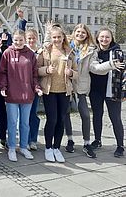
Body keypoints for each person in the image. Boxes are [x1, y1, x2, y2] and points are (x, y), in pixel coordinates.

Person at [64, 24, 108, 159]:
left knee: (85, 115)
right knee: (66, 114)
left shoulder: (90, 50)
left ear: (87, 35)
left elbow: (94, 67)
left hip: (81, 85)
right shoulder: (66, 47)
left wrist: (109, 65)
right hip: (66, 84)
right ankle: (70, 139)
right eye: (78, 32)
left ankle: (86, 143)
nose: (80, 34)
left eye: (83, 32)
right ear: (74, 33)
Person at [0, 30, 42, 162]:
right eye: (16, 40)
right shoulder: (7, 53)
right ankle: (12, 147)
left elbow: (34, 74)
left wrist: (37, 88)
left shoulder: (30, 54)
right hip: (12, 94)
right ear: (13, 40)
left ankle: (23, 147)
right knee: (12, 122)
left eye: (21, 40)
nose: (18, 43)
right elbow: (2, 72)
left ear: (25, 40)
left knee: (25, 123)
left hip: (27, 94)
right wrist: (3, 87)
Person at [37, 25, 77, 163]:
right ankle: (48, 147)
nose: (57, 39)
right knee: (52, 119)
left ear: (63, 37)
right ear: (51, 38)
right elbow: (37, 70)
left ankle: (56, 148)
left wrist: (71, 73)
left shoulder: (69, 52)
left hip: (64, 91)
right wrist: (47, 70)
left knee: (61, 120)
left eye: (59, 37)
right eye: (54, 37)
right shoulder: (45, 51)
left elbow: (76, 73)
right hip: (50, 90)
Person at [89, 27, 125, 157]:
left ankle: (120, 145)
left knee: (115, 118)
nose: (104, 39)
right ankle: (97, 140)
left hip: (113, 90)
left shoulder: (118, 52)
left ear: (111, 38)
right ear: (97, 38)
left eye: (107, 37)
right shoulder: (92, 51)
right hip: (96, 90)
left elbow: (124, 73)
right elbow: (91, 68)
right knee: (97, 115)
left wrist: (124, 91)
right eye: (102, 37)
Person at [25, 28, 41, 151]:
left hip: (35, 87)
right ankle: (25, 139)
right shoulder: (22, 52)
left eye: (33, 38)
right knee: (23, 115)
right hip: (23, 87)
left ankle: (33, 140)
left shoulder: (40, 52)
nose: (31, 40)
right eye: (29, 38)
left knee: (33, 114)